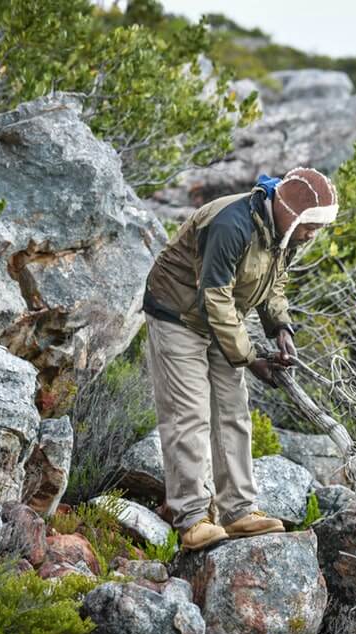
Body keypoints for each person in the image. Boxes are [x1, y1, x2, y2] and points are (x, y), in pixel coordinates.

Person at [141, 167, 339, 551]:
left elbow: (273, 282)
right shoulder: (231, 224)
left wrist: (280, 327)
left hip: (221, 316)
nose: (313, 233)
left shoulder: (285, 234)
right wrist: (251, 359)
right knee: (189, 414)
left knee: (233, 412)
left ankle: (238, 512)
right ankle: (194, 518)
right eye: (310, 224)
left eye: (318, 226)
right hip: (177, 314)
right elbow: (213, 298)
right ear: (290, 212)